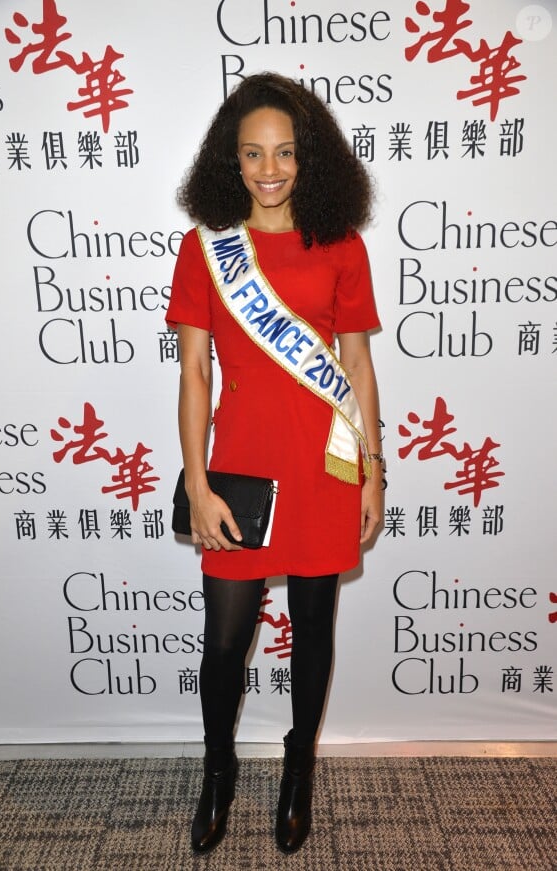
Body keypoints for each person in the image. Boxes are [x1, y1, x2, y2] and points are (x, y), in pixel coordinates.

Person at [166, 72, 383, 854]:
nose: (269, 168)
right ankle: (218, 770)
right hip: (242, 472)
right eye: (253, 153)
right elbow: (194, 374)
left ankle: (299, 768)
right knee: (223, 642)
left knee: (315, 625)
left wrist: (374, 470)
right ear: (230, 160)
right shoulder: (207, 250)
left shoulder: (341, 246)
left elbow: (356, 365)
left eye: (286, 152)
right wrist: (196, 483)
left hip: (325, 466)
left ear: (309, 158)